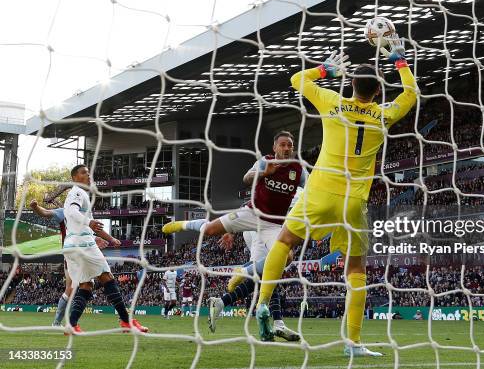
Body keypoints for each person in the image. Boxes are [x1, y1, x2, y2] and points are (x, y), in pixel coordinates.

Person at [254, 35, 418, 357]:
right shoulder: (383, 116)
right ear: (378, 91)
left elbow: (296, 79)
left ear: (351, 85)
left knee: (285, 241)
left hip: (319, 190)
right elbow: (411, 93)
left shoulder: (332, 102)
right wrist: (399, 60)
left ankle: (262, 304)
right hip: (354, 202)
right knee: (356, 268)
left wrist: (325, 70)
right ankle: (353, 344)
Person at [162, 131, 307, 341]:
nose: (286, 148)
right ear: (275, 147)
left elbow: (311, 190)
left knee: (282, 261)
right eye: (282, 145)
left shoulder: (299, 170)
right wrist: (264, 173)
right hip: (251, 214)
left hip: (274, 224)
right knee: (211, 230)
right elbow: (246, 178)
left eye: (290, 145)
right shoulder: (264, 162)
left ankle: (271, 321)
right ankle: (183, 224)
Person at [63, 164, 148, 334]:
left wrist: (110, 238)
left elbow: (92, 225)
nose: (88, 175)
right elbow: (73, 212)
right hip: (83, 244)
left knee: (86, 285)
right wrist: (89, 223)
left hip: (70, 246)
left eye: (88, 173)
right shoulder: (78, 192)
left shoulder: (80, 196)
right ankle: (126, 321)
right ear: (74, 178)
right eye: (83, 173)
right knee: (107, 277)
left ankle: (71, 325)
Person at [29, 197, 110, 327]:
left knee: (82, 287)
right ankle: (65, 323)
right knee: (74, 288)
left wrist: (99, 239)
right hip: (72, 255)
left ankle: (65, 323)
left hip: (85, 254)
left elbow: (86, 234)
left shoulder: (85, 216)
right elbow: (45, 213)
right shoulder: (64, 212)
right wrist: (35, 207)